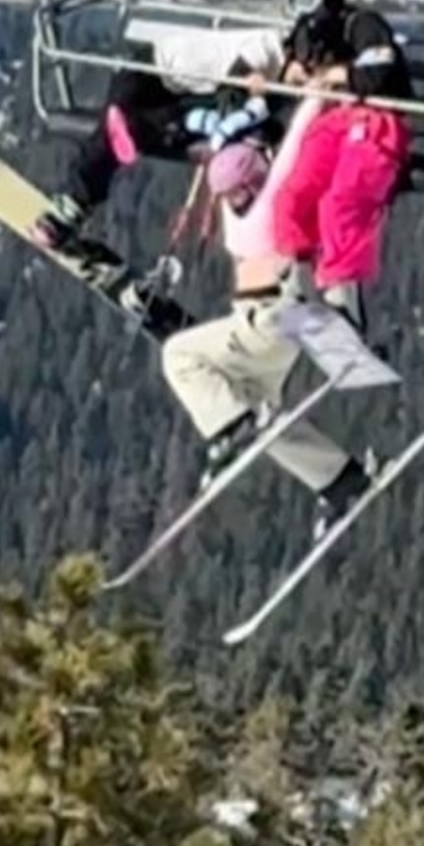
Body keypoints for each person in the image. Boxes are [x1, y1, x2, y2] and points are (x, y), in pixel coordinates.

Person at [161, 102, 374, 542]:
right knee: (264, 417)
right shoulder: (267, 199)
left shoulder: (262, 210)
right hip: (278, 326)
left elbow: (289, 146)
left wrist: (310, 97)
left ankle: (230, 427)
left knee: (178, 354)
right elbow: (284, 149)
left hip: (267, 319)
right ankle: (338, 478)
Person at [32, 23, 291, 253]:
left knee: (132, 129)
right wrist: (254, 96)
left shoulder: (277, 66)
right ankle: (75, 201)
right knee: (121, 127)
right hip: (152, 71)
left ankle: (74, 203)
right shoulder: (267, 48)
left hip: (181, 92)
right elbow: (237, 85)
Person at [272, 0, 414, 336]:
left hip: (377, 120)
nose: (301, 11)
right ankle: (298, 273)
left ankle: (343, 291)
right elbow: (290, 61)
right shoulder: (308, 32)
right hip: (336, 122)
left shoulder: (361, 25)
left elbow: (379, 71)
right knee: (293, 194)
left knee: (342, 201)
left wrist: (339, 75)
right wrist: (294, 71)